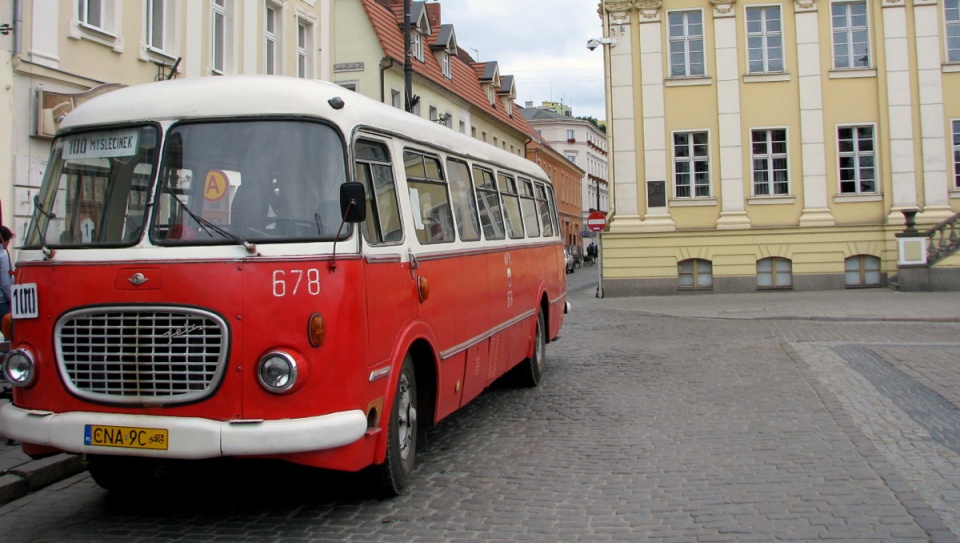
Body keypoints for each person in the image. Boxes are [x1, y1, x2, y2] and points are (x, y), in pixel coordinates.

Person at [0, 226, 14, 319]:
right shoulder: (3, 256)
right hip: (1, 302)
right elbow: (5, 284)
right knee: (12, 330)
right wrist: (12, 299)